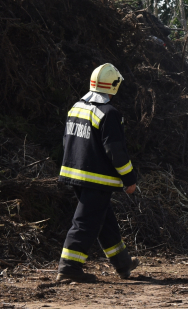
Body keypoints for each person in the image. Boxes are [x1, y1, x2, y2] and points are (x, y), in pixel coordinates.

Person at [57, 63, 139, 283]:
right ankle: (69, 267)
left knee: (104, 220)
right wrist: (129, 179)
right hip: (96, 179)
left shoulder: (76, 107)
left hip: (76, 175)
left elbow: (67, 141)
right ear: (114, 86)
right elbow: (116, 151)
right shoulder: (109, 113)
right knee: (85, 222)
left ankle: (123, 263)